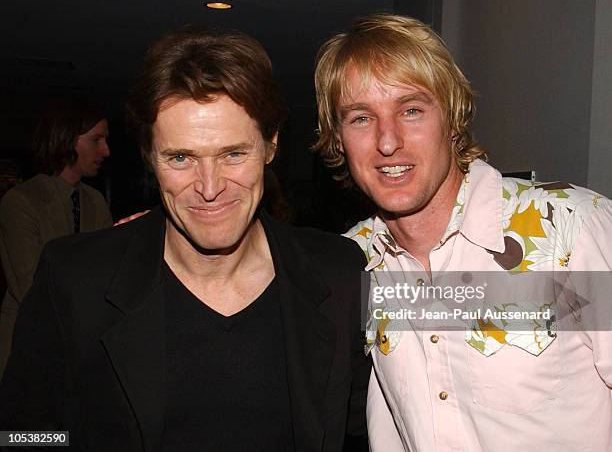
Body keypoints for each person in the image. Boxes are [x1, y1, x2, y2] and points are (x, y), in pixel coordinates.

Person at [0, 26, 370, 451]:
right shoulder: (75, 278)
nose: (210, 188)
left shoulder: (339, 271)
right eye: (181, 158)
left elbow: (371, 424)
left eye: (233, 154)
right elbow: (23, 434)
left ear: (270, 146)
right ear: (150, 159)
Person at [314, 14, 612, 451]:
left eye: (411, 110)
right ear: (338, 139)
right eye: (360, 118)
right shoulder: (354, 263)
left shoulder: (571, 228)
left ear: (452, 118)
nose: (388, 141)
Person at [0, 98, 112, 376]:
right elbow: (30, 286)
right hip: (28, 340)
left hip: (79, 342)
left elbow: (109, 272)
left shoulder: (95, 200)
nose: (106, 150)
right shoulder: (21, 201)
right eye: (96, 140)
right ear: (66, 140)